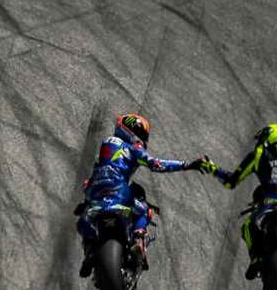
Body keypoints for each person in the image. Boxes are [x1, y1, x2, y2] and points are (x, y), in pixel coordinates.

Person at [193, 123, 277, 280]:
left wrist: (211, 168)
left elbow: (231, 181)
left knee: (247, 227)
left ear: (269, 137)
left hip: (268, 204)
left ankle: (256, 257)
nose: (259, 142)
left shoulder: (259, 153)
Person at [76, 113, 202, 277]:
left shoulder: (105, 146)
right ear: (131, 130)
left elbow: (91, 180)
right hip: (119, 191)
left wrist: (85, 202)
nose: (141, 139)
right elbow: (156, 164)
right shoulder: (133, 148)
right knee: (144, 211)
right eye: (140, 133)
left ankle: (90, 251)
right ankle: (138, 241)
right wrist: (186, 165)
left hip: (95, 194)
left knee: (83, 221)